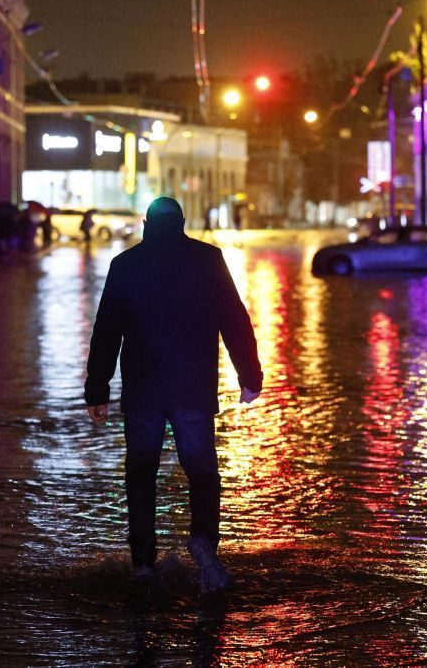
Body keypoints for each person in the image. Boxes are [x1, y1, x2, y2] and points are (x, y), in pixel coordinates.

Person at [84, 196, 262, 593]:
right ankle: (204, 549)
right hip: (192, 390)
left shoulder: (125, 265)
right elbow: (235, 320)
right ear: (182, 222)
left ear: (147, 223)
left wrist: (97, 388)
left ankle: (143, 563)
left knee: (141, 474)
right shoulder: (208, 259)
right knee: (202, 473)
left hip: (143, 391)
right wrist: (249, 375)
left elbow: (106, 331)